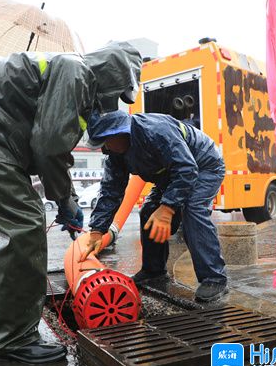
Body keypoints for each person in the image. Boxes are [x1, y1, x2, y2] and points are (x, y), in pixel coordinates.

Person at [0, 42, 142, 364]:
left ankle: (4, 324)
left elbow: (46, 140)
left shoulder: (70, 72)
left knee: (0, 228)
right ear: (115, 74)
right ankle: (15, 338)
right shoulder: (76, 73)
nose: (113, 101)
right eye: (118, 92)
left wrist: (65, 195)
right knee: (24, 225)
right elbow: (50, 146)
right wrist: (65, 199)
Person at [81, 110, 229, 302]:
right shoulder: (115, 153)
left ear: (120, 133)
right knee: (149, 211)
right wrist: (97, 230)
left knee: (192, 210)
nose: (104, 148)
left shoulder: (157, 131)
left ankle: (214, 279)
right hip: (171, 175)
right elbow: (111, 191)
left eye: (106, 141)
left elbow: (186, 169)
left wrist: (167, 209)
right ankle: (154, 271)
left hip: (203, 166)